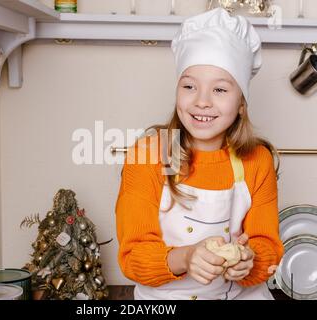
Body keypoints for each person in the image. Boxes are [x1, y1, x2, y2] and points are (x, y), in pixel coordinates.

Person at [115, 8, 284, 300]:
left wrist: (249, 260)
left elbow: (267, 249)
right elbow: (133, 256)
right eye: (189, 86)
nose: (202, 101)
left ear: (242, 103)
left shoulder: (257, 160)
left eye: (219, 89)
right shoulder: (147, 155)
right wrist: (186, 257)